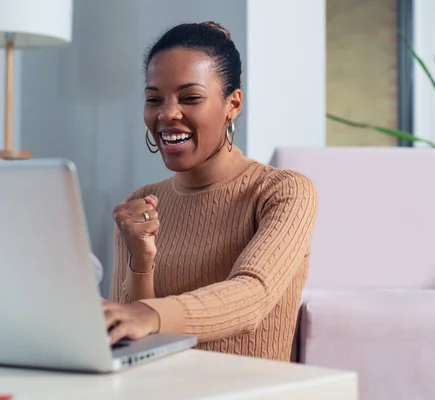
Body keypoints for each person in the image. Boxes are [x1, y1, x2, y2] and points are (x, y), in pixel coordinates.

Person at [102, 21, 318, 361]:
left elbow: (253, 295)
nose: (167, 114)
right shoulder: (137, 205)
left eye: (190, 98)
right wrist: (142, 262)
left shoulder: (284, 192)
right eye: (154, 99)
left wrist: (151, 315)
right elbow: (128, 341)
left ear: (232, 104)